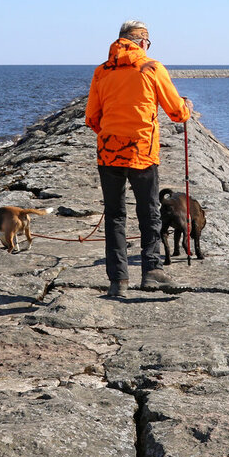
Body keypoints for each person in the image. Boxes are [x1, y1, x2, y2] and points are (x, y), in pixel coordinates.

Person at [85, 20, 192, 297]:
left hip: (108, 152)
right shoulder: (152, 68)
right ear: (142, 41)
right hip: (142, 152)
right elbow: (177, 113)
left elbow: (91, 118)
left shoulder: (101, 71)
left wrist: (112, 135)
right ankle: (152, 271)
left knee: (115, 216)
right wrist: (188, 108)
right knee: (149, 212)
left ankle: (118, 281)